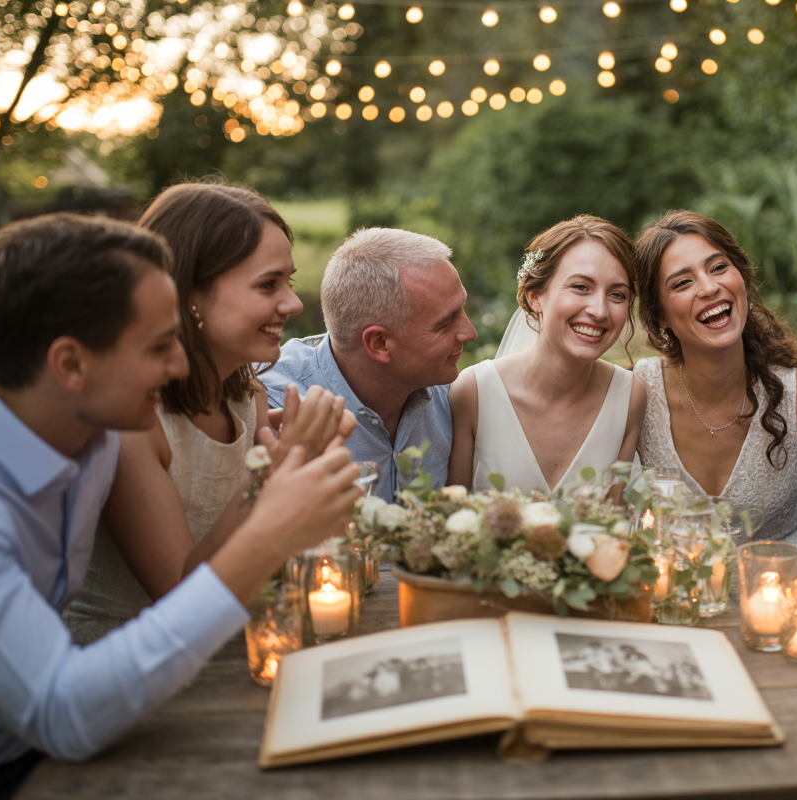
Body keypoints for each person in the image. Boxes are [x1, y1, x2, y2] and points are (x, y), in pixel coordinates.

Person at [0, 215, 360, 798]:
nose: (181, 367)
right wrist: (267, 532)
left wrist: (281, 467)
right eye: (160, 346)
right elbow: (64, 714)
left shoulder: (92, 427)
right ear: (69, 364)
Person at [64, 182, 354, 643]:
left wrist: (311, 466)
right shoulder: (136, 423)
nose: (293, 304)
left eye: (289, 282)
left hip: (234, 644)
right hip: (128, 669)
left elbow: (268, 554)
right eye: (268, 284)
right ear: (189, 293)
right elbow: (180, 595)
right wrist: (273, 474)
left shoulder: (247, 396)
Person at [631, 210, 797, 557]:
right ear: (659, 315)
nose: (709, 287)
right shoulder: (640, 393)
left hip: (793, 595)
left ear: (742, 279)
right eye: (682, 283)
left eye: (719, 267)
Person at [262, 227, 476, 499]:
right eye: (446, 323)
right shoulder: (273, 411)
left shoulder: (459, 400)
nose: (470, 332)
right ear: (380, 343)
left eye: (462, 309)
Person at [448, 215, 647, 493]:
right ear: (534, 296)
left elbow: (618, 522)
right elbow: (451, 516)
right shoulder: (472, 392)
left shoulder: (629, 396)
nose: (600, 311)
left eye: (617, 295)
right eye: (581, 287)